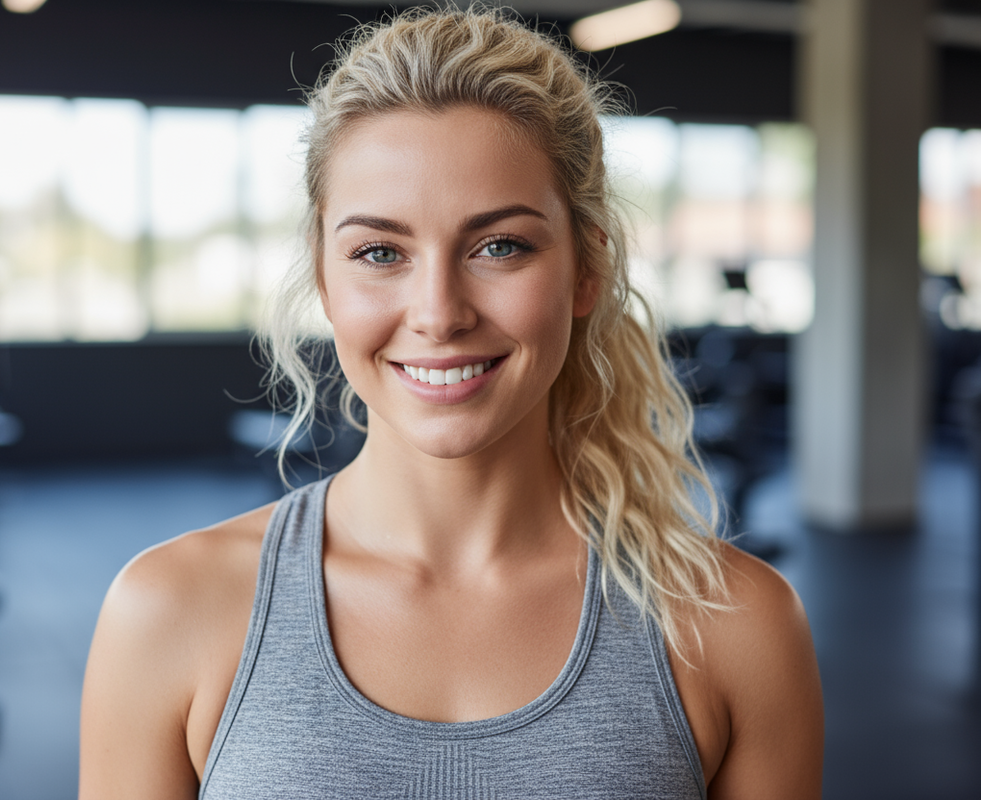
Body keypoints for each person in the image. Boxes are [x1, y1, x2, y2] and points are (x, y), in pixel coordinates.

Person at [79, 7, 823, 799]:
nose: (439, 312)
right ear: (325, 278)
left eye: (499, 246)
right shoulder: (168, 613)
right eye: (379, 252)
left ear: (586, 268)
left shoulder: (736, 627)